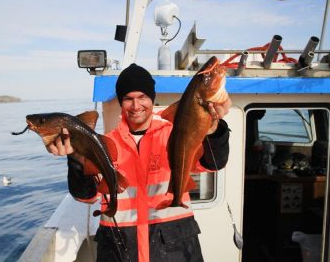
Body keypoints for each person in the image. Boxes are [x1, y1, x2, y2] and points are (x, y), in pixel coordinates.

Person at [47, 63, 231, 262]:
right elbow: (87, 196)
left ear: (152, 99)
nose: (136, 106)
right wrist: (74, 158)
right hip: (119, 249)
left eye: (142, 97)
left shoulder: (175, 134)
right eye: (128, 99)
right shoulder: (105, 144)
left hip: (175, 248)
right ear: (121, 102)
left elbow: (212, 163)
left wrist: (215, 131)